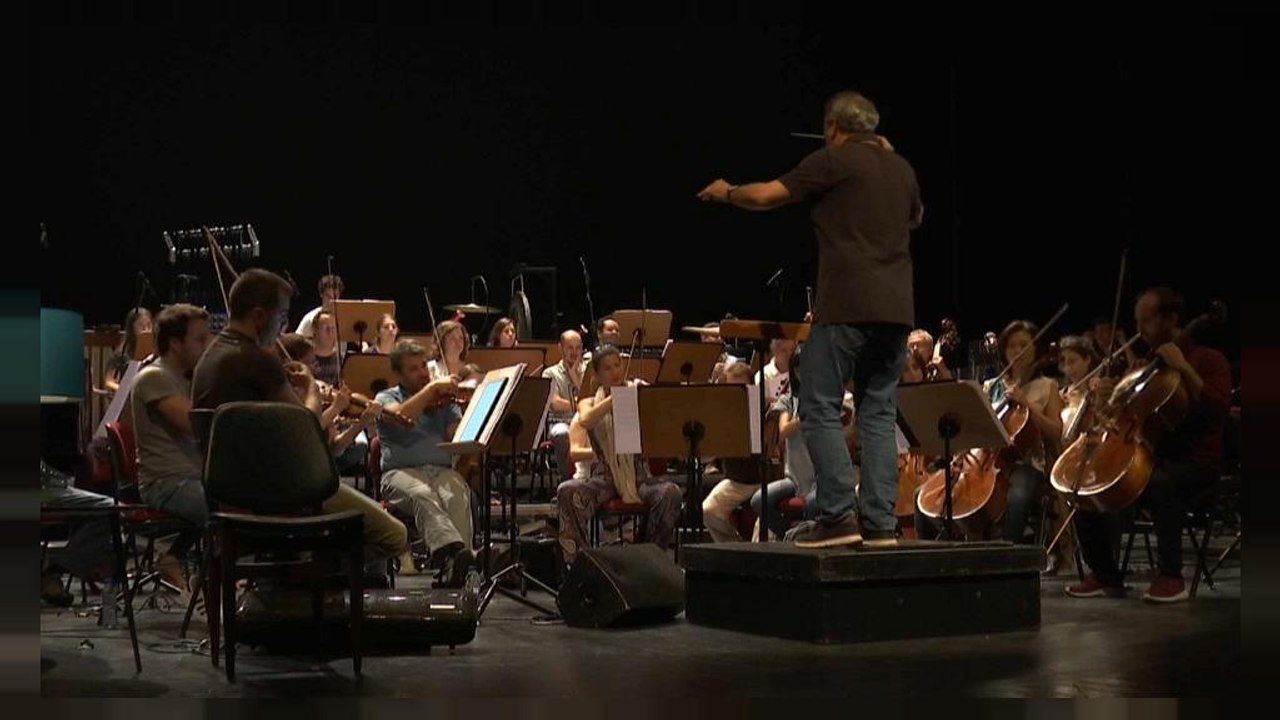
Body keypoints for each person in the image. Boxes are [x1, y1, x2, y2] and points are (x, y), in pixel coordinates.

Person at [697, 90, 922, 548]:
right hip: (897, 311)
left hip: (846, 306)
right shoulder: (901, 168)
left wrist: (727, 193)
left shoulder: (834, 158)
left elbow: (767, 196)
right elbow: (915, 217)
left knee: (818, 405)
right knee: (877, 412)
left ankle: (838, 516)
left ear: (835, 128)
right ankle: (880, 524)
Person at [191, 268, 408, 564]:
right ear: (258, 316)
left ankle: (293, 583)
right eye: (280, 316)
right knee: (394, 535)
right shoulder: (257, 360)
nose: (283, 324)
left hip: (227, 491)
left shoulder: (210, 357)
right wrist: (309, 387)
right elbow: (305, 430)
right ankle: (304, 585)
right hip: (282, 492)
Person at [1067, 287, 1232, 603]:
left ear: (1171, 319)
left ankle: (1171, 576)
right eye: (1137, 321)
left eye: (1147, 321)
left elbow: (1218, 411)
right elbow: (1120, 415)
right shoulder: (1143, 364)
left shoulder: (1209, 359)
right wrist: (1107, 396)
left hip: (1196, 462)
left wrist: (1183, 367)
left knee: (1160, 481)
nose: (1139, 330)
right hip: (1148, 456)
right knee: (1087, 484)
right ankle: (1105, 574)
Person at [374, 339, 476, 587]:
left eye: (423, 366)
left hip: (441, 470)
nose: (422, 373)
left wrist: (466, 408)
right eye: (413, 369)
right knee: (421, 493)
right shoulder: (385, 397)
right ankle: (455, 555)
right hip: (398, 474)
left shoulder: (442, 400)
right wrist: (430, 391)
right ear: (398, 373)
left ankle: (457, 569)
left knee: (456, 493)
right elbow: (401, 416)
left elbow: (456, 437)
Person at [130, 303, 213, 592]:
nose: (208, 345)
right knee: (233, 511)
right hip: (166, 483)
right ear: (176, 343)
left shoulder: (185, 378)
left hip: (191, 479)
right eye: (200, 339)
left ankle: (178, 561)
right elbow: (195, 426)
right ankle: (209, 587)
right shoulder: (155, 377)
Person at [295, 274, 343, 338]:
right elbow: (297, 342)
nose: (331, 301)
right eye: (328, 296)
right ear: (321, 294)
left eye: (335, 296)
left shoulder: (345, 317)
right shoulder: (310, 318)